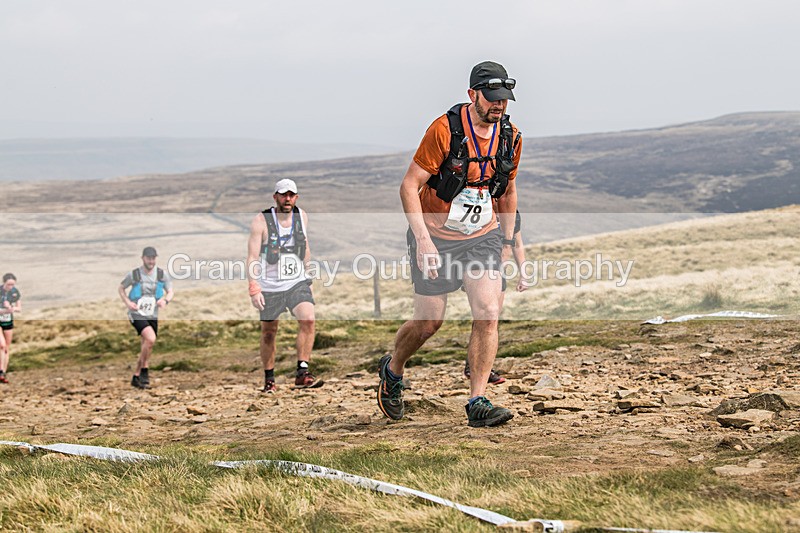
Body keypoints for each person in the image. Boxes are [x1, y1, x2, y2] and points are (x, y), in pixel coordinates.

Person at [378, 61, 523, 427]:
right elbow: (409, 186)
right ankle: (393, 370)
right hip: (436, 238)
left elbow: (507, 191)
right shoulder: (444, 131)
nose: (499, 104)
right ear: (472, 94)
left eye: (504, 99)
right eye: (491, 97)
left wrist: (507, 240)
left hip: (482, 237)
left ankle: (477, 400)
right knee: (429, 323)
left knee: (488, 311)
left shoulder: (510, 137)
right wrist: (423, 241)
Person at [246, 178, 319, 393]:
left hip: (296, 281)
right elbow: (252, 257)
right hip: (269, 285)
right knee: (269, 332)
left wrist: (308, 276)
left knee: (308, 319)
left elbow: (305, 247)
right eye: (283, 195)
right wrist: (254, 288)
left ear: (296, 197)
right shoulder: (261, 220)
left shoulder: (301, 216)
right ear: (275, 197)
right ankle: (269, 379)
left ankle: (302, 372)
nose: (287, 199)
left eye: (291, 195)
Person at [463, 210, 531, 383]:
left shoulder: (513, 213)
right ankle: (476, 368)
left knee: (490, 320)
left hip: (499, 271)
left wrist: (524, 274)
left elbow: (517, 244)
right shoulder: (478, 207)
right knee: (483, 317)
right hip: (477, 266)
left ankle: (478, 366)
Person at [118, 247, 174, 389]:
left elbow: (170, 291)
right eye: (148, 258)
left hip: (152, 314)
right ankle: (144, 371)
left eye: (153, 258)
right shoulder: (135, 274)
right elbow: (121, 288)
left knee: (147, 345)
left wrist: (165, 300)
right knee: (150, 339)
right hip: (136, 313)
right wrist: (128, 303)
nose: (151, 261)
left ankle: (136, 377)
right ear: (143, 258)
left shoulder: (161, 274)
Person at [0, 273, 22, 384]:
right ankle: (0, 370)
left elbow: (19, 308)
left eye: (13, 284)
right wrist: (4, 310)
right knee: (1, 345)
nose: (11, 287)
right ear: (4, 283)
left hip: (8, 321)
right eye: (8, 284)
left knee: (6, 348)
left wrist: (11, 308)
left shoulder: (15, 292)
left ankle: (3, 372)